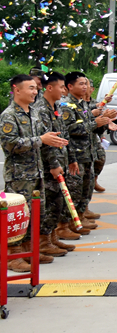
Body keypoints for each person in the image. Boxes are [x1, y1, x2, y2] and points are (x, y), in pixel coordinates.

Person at [2, 74, 69, 272]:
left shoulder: (34, 113)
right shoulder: (8, 116)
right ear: (17, 89)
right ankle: (13, 256)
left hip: (38, 174)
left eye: (35, 88)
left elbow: (46, 142)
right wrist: (41, 140)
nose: (34, 92)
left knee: (35, 214)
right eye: (30, 88)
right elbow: (11, 145)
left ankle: (30, 250)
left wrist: (54, 163)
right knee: (18, 217)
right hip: (19, 177)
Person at [34, 72, 80, 254]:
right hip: (48, 167)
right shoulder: (41, 110)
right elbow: (47, 142)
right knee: (49, 203)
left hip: (61, 162)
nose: (64, 90)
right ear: (50, 87)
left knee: (57, 203)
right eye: (61, 87)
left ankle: (52, 237)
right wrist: (53, 164)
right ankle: (44, 241)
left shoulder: (57, 108)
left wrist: (72, 159)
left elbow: (64, 136)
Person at [61, 72, 112, 226]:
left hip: (88, 153)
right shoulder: (66, 106)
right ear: (70, 86)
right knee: (74, 190)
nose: (85, 87)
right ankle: (68, 223)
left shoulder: (83, 104)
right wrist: (95, 122)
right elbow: (69, 129)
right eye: (81, 84)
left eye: (86, 84)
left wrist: (103, 122)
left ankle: (81, 216)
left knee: (86, 187)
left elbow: (91, 128)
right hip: (75, 154)